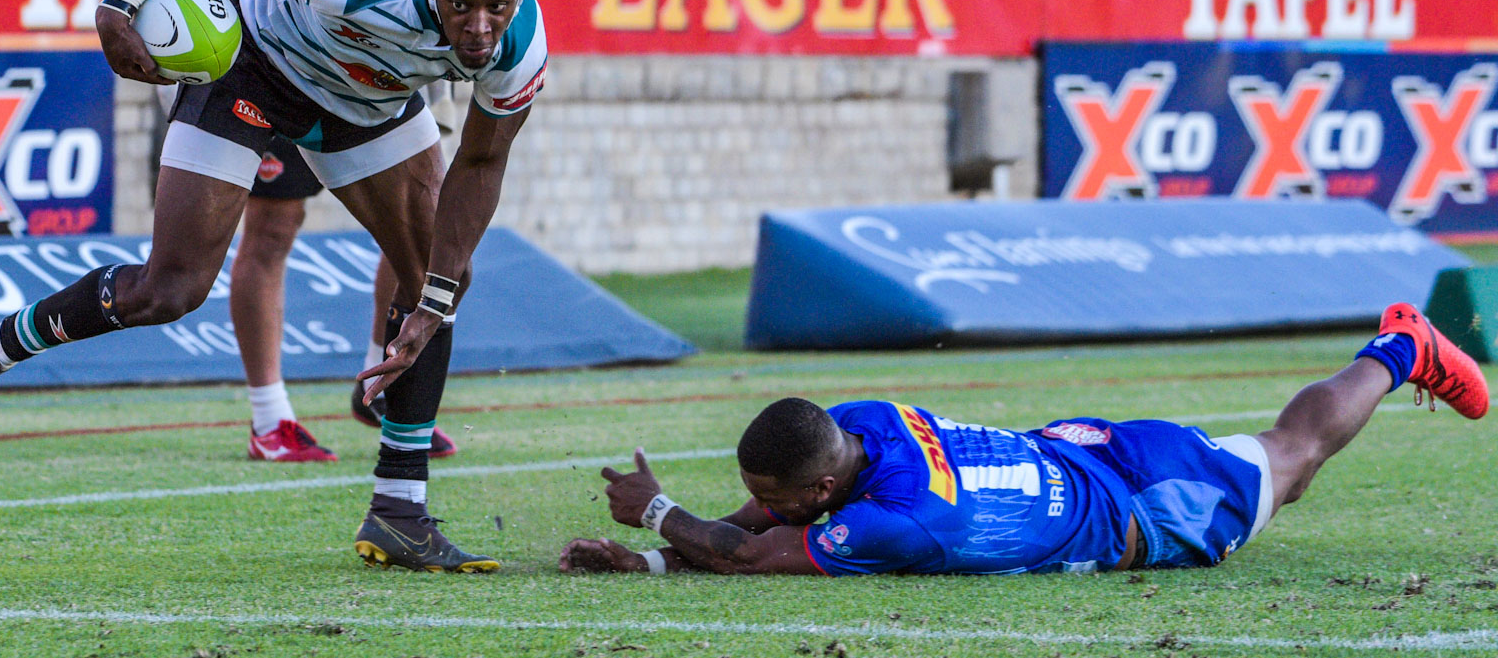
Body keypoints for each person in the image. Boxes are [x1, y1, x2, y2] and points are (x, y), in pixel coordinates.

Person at [0, 0, 547, 574]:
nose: (480, 26)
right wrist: (123, 0)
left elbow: (480, 163)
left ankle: (400, 510)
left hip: (368, 103)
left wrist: (432, 301)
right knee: (171, 288)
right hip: (259, 65)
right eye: (461, 3)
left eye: (497, 6)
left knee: (441, 279)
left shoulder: (521, 42)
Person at [560, 303, 1488, 576]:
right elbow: (770, 514)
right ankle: (1362, 387)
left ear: (818, 490)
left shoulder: (899, 520)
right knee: (1273, 474)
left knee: (1293, 453)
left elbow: (759, 548)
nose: (763, 500)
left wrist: (661, 512)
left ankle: (1400, 346)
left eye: (776, 491)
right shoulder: (862, 426)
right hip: (1080, 451)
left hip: (1139, 505)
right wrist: (655, 558)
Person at [163, 0, 463, 463]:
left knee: (412, 223)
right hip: (276, 46)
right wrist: (174, 29)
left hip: (371, 44)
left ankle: (383, 382)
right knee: (271, 227)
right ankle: (270, 417)